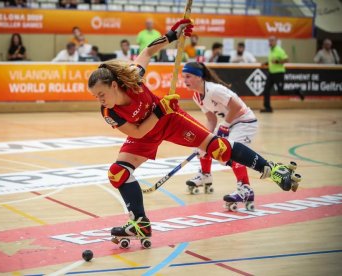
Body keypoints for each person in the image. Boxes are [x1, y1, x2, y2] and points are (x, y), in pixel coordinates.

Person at [87, 19, 301, 245]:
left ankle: (274, 169)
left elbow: (147, 51)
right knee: (118, 173)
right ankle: (140, 223)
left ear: (113, 86)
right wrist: (159, 111)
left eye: (100, 94)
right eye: (95, 97)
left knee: (217, 148)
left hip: (171, 120)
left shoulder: (132, 79)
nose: (99, 100)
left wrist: (172, 35)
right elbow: (138, 132)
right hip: (148, 129)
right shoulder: (109, 112)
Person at [182, 61, 258, 211]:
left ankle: (245, 190)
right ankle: (205, 175)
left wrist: (225, 125)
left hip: (244, 122)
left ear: (199, 77)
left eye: (188, 76)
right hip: (229, 123)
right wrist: (202, 140)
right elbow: (211, 119)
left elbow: (237, 107)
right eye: (184, 77)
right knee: (205, 143)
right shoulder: (197, 96)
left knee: (233, 154)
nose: (185, 80)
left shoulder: (214, 90)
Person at [261, 36, 304, 113]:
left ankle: (297, 91)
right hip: (271, 73)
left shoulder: (279, 50)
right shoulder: (271, 50)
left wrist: (277, 62)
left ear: (276, 41)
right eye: (269, 41)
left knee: (281, 91)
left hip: (279, 73)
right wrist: (266, 63)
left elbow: (286, 60)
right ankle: (268, 108)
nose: (270, 42)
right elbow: (272, 60)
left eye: (272, 40)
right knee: (266, 90)